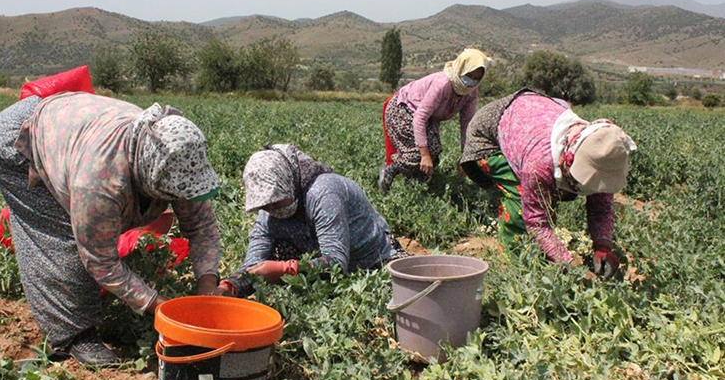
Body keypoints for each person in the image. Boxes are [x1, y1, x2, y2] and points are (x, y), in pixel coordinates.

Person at [0, 92, 223, 366]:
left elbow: (202, 227)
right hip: (16, 141)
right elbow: (100, 261)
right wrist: (158, 305)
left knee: (87, 230)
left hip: (67, 123)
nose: (178, 198)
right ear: (147, 174)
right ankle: (71, 336)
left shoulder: (179, 160)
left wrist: (207, 284)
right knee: (61, 237)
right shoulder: (100, 183)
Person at [459, 89, 636, 276]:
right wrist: (570, 264)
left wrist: (602, 246)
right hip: (488, 131)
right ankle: (516, 260)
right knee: (520, 196)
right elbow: (536, 221)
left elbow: (601, 208)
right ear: (569, 160)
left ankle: (541, 251)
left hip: (528, 118)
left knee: (542, 196)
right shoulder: (539, 164)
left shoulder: (602, 156)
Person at [220, 144, 406, 296]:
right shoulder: (267, 213)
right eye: (265, 205)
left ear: (288, 183)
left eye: (276, 201)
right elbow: (252, 266)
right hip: (319, 260)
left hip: (373, 260)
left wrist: (285, 269)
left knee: (403, 291)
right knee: (273, 260)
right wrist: (230, 285)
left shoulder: (324, 193)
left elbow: (335, 262)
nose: (271, 209)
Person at [378, 48, 490, 193]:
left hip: (427, 117)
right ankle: (390, 170)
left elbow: (466, 125)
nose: (471, 81)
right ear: (461, 68)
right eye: (469, 75)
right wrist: (424, 155)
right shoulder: (443, 84)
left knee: (434, 152)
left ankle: (414, 187)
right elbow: (420, 117)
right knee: (417, 154)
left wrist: (466, 158)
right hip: (403, 109)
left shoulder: (471, 92)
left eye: (476, 78)